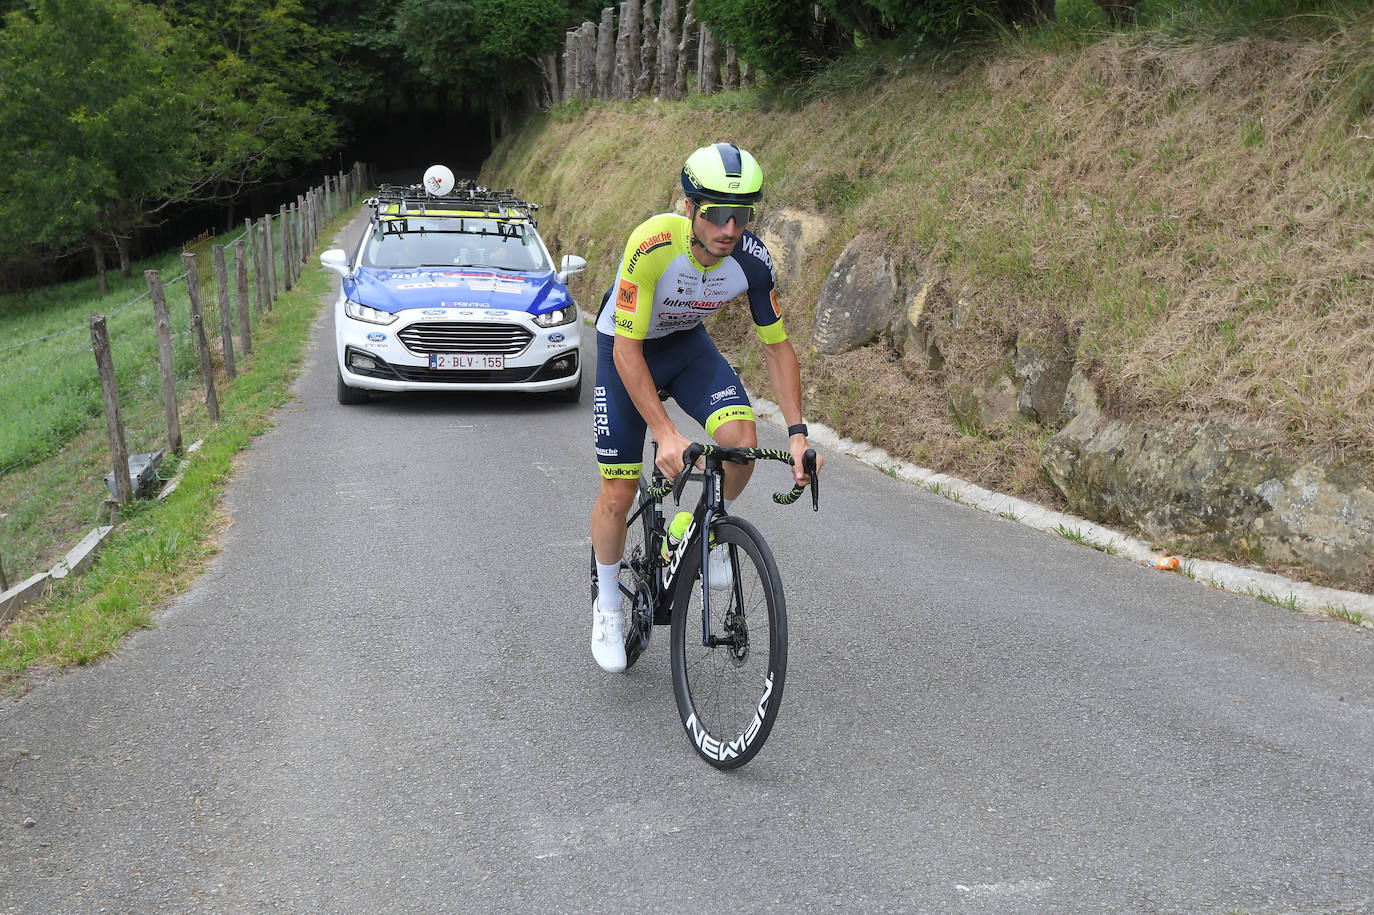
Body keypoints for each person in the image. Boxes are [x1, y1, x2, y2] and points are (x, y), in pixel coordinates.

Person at [589, 142, 822, 673]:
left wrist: (798, 435)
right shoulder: (652, 244)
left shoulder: (752, 261)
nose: (729, 228)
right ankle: (607, 606)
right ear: (690, 207)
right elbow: (627, 350)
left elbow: (777, 346)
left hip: (685, 346)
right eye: (717, 213)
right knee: (618, 491)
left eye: (742, 215)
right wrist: (665, 433)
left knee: (741, 444)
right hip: (624, 348)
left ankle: (698, 532)